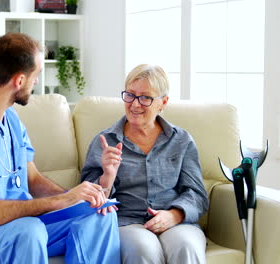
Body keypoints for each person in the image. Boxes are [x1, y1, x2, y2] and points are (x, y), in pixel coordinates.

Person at [0, 33, 121, 264]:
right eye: (36, 75)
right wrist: (59, 202)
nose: (37, 82)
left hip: (25, 227)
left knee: (99, 215)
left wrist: (77, 198)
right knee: (28, 231)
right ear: (19, 81)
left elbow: (32, 179)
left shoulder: (9, 117)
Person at [81, 64, 209, 264]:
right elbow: (87, 201)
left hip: (175, 223)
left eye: (145, 97)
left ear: (163, 102)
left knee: (186, 246)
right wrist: (107, 175)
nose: (135, 104)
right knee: (143, 249)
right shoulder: (105, 141)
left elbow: (197, 194)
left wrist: (174, 215)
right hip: (127, 222)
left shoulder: (181, 140)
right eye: (130, 95)